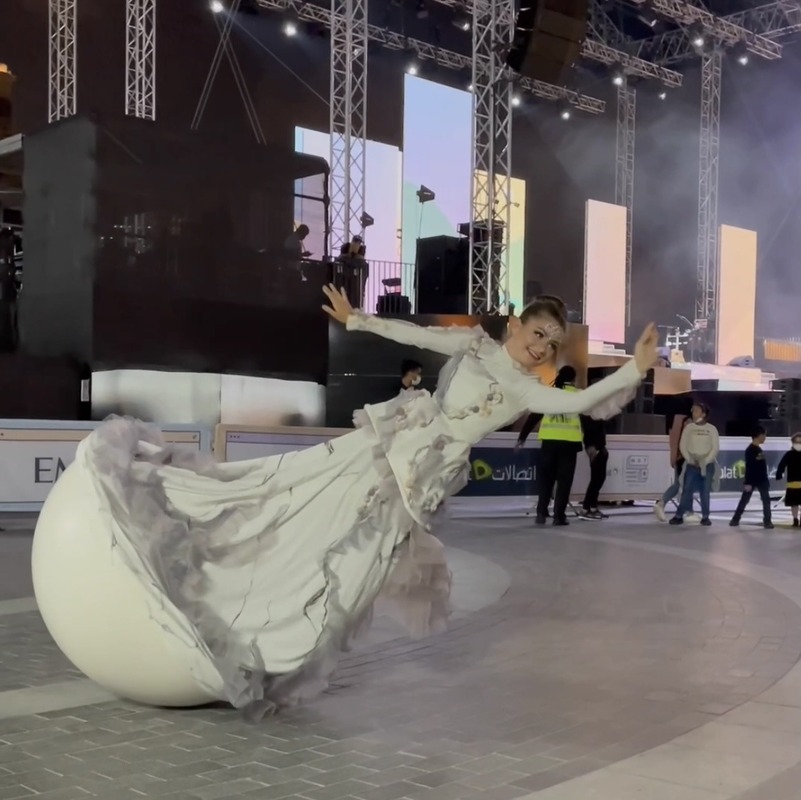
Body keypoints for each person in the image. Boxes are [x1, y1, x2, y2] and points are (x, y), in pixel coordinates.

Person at [46, 287, 658, 717]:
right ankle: (202, 532)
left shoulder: (528, 390)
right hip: (386, 447)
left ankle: (268, 637)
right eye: (538, 333)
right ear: (516, 326)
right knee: (291, 495)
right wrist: (358, 319)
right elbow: (416, 334)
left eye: (553, 343)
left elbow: (580, 403)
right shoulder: (475, 348)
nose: (543, 346)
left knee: (354, 565)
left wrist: (633, 369)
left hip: (417, 481)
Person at [518, 366, 583, 526]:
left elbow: (534, 416)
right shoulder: (579, 396)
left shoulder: (549, 395)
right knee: (564, 482)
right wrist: (592, 444)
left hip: (549, 443)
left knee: (546, 480)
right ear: (574, 379)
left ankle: (541, 512)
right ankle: (558, 516)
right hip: (569, 445)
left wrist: (522, 437)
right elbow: (588, 422)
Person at [669, 402, 719, 526]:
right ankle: (679, 515)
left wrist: (705, 461)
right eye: (693, 410)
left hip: (707, 465)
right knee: (687, 490)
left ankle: (705, 516)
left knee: (705, 491)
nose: (693, 413)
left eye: (696, 411)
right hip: (692, 464)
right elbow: (683, 445)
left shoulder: (711, 429)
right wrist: (691, 460)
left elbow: (715, 448)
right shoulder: (689, 428)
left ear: (703, 414)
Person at [654, 416, 698, 523]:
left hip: (683, 461)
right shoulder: (685, 435)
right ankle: (662, 504)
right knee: (680, 485)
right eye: (687, 423)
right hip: (683, 461)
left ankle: (688, 511)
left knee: (683, 486)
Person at [729, 426, 773, 529]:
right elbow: (750, 467)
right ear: (759, 435)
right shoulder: (750, 450)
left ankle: (767, 521)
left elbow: (761, 467)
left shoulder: (759, 449)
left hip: (762, 480)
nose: (765, 437)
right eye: (764, 435)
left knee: (766, 500)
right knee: (745, 500)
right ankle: (735, 519)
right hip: (752, 480)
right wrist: (748, 482)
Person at [580, 415, 608, 520]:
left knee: (599, 478)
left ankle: (592, 506)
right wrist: (590, 445)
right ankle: (586, 508)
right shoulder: (589, 413)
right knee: (596, 479)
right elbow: (588, 428)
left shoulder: (597, 413)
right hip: (594, 446)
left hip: (599, 446)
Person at [775, 432, 801, 528]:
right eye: (796, 442)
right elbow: (782, 465)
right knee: (794, 504)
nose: (798, 444)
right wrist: (779, 473)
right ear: (793, 443)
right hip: (792, 483)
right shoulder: (789, 454)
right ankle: (795, 519)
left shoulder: (789, 454)